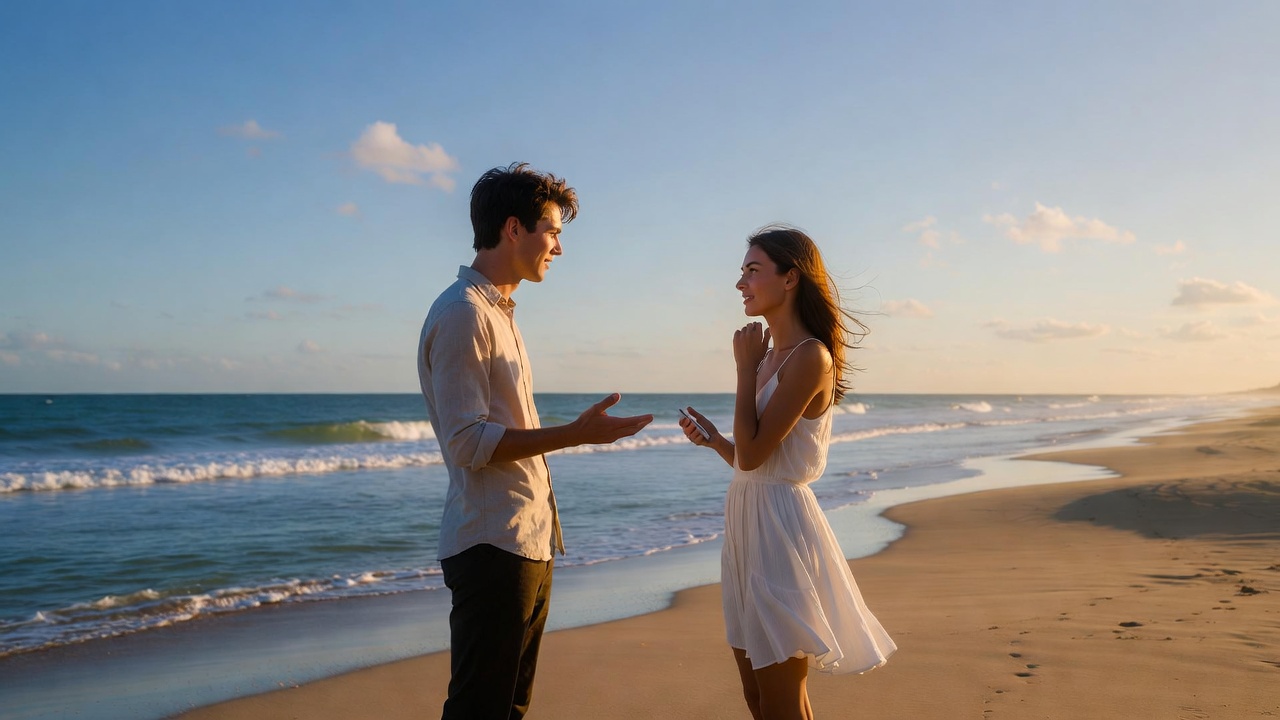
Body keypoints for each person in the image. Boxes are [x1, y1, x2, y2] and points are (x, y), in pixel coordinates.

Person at [418, 162, 653, 720]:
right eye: (552, 231)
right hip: (492, 543)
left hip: (527, 538)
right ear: (513, 229)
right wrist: (575, 435)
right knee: (480, 709)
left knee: (510, 707)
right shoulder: (463, 313)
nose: (559, 248)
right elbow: (467, 442)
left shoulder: (499, 313)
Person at [679, 225, 896, 720]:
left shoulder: (810, 357)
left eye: (753, 271)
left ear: (791, 277)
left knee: (782, 702)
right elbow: (751, 460)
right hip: (746, 520)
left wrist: (743, 370)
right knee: (757, 698)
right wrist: (716, 442)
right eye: (742, 272)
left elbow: (757, 456)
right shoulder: (769, 358)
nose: (741, 283)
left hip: (779, 529)